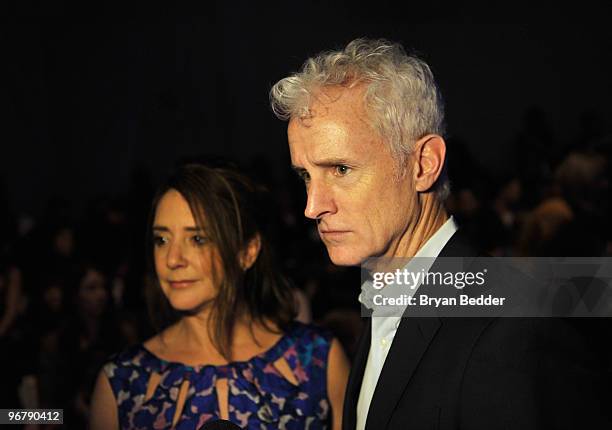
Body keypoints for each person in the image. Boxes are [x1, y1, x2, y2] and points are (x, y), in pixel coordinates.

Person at [270, 38, 610, 429]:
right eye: (305, 176)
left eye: (341, 170)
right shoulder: (385, 295)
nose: (313, 206)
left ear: (424, 164)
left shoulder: (515, 328)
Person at [90, 164, 350, 430]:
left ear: (247, 252)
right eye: (162, 240)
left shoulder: (317, 359)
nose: (172, 259)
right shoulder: (123, 381)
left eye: (198, 239)